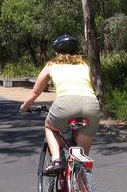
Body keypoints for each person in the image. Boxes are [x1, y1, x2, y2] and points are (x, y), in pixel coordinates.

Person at [20, 34, 101, 175]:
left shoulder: (52, 65)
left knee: (50, 127)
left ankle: (57, 160)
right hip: (91, 105)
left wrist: (25, 107)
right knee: (82, 161)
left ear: (57, 51)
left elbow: (35, 92)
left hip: (65, 104)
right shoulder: (84, 65)